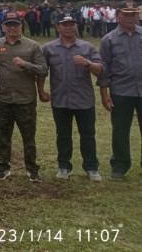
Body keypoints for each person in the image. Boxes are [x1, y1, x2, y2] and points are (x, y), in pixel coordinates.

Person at [0, 11, 48, 182]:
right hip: (3, 99)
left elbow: (43, 69)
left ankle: (32, 169)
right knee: (3, 136)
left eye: (16, 24)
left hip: (26, 99)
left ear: (21, 26)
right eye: (9, 24)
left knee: (29, 137)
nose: (12, 28)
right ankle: (3, 168)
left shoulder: (32, 46)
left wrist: (25, 64)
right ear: (3, 26)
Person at [39, 15, 103, 182]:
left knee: (88, 135)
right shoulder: (49, 48)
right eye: (64, 24)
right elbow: (41, 71)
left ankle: (91, 167)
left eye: (71, 24)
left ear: (76, 27)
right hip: (60, 100)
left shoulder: (87, 47)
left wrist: (87, 63)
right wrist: (41, 90)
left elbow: (100, 70)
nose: (68, 27)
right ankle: (64, 166)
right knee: (63, 135)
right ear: (58, 27)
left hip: (84, 100)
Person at [98, 1, 142, 181]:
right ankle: (119, 166)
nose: (131, 17)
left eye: (134, 14)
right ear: (117, 16)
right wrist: (104, 94)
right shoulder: (109, 39)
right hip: (121, 91)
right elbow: (104, 69)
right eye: (126, 14)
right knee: (120, 130)